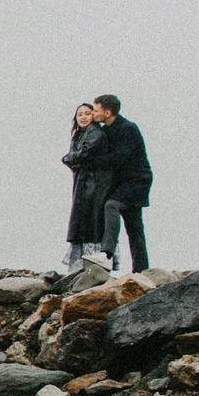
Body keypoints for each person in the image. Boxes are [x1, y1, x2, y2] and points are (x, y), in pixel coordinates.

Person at [79, 94, 152, 271]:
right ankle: (142, 270)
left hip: (137, 180)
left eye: (96, 111)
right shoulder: (106, 131)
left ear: (108, 112)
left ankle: (106, 254)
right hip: (123, 182)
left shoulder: (128, 128)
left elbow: (118, 157)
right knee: (134, 227)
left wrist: (88, 163)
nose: (93, 114)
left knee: (111, 205)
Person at [60, 102, 111, 269]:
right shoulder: (79, 135)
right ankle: (81, 265)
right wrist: (71, 160)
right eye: (79, 114)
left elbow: (84, 154)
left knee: (91, 222)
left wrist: (69, 159)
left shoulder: (96, 133)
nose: (83, 117)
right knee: (82, 222)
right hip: (83, 184)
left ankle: (91, 264)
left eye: (87, 113)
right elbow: (75, 158)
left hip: (95, 184)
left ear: (94, 116)